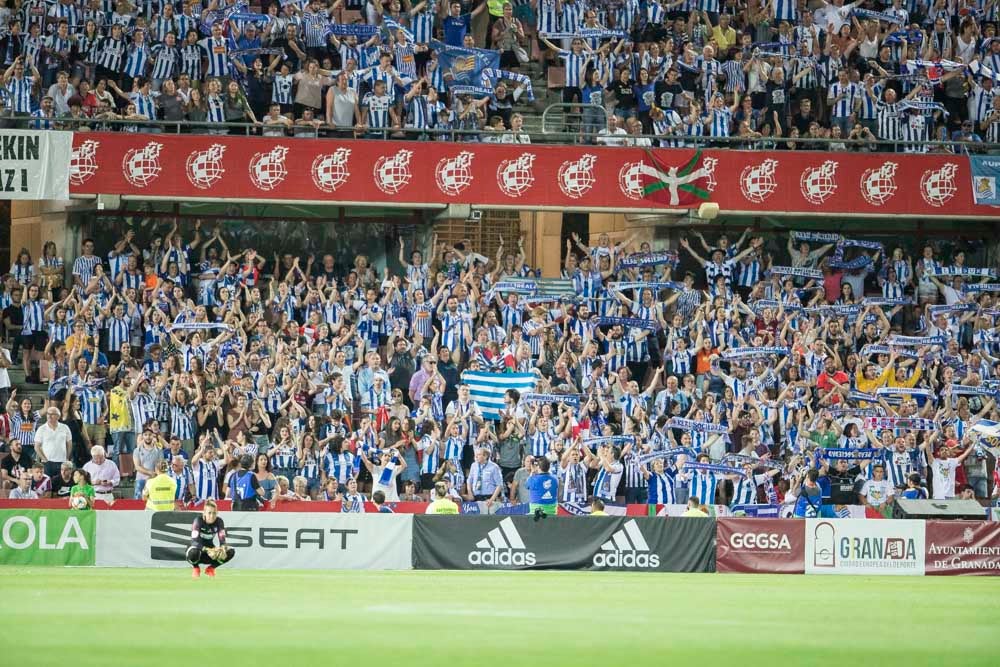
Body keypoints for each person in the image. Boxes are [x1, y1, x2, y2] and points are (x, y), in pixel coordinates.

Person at [185, 499, 235, 579]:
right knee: (194, 553)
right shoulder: (198, 521)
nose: (212, 516)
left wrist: (222, 549)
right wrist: (207, 549)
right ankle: (196, 568)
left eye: (214, 513)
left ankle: (211, 569)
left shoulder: (219, 521)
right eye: (209, 513)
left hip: (211, 553)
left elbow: (222, 540)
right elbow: (194, 542)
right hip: (197, 551)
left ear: (217, 513)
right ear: (204, 513)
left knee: (230, 551)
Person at [33, 406, 72, 478]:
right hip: (47, 462)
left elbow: (69, 444)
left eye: (52, 414)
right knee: (48, 484)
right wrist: (45, 460)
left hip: (62, 462)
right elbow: (36, 447)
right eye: (48, 414)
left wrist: (67, 457)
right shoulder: (41, 429)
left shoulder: (65, 427)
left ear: (58, 416)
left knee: (60, 484)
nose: (49, 416)